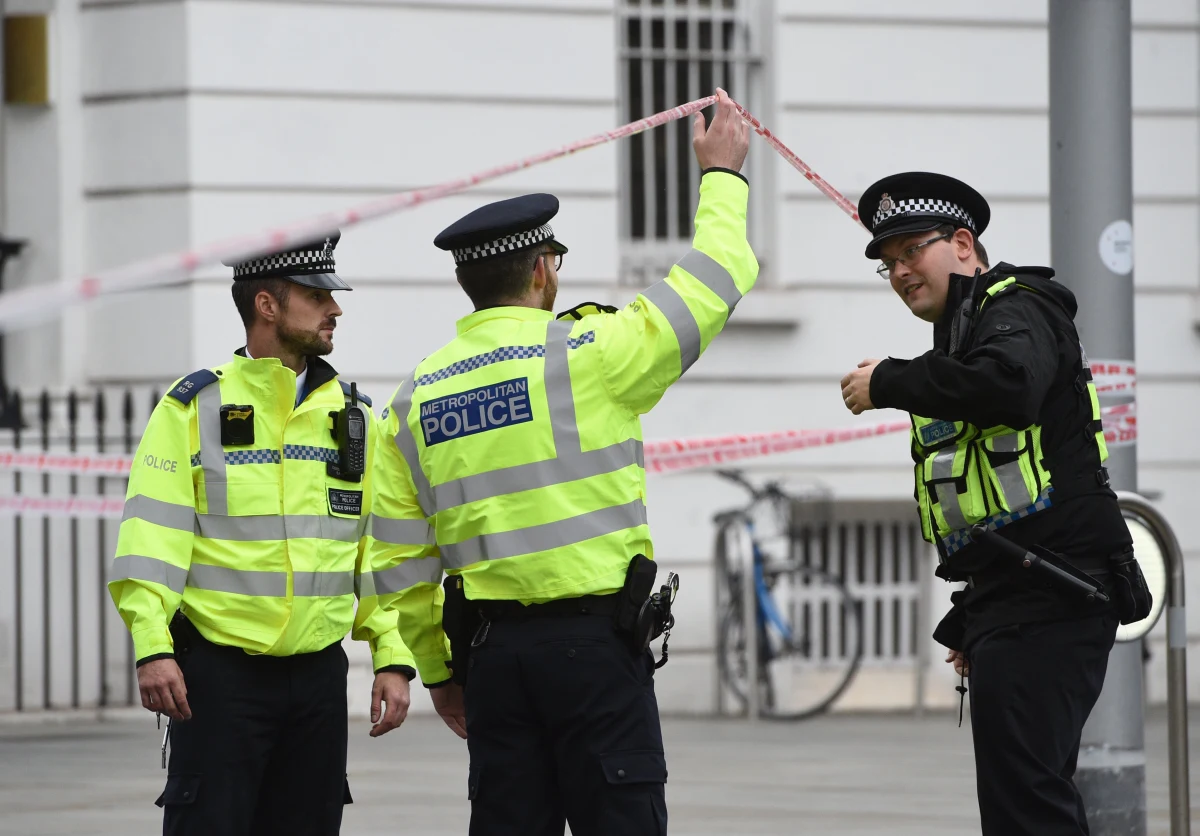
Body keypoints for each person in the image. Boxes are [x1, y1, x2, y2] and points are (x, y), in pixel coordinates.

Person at [364, 88, 756, 836]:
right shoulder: (588, 356)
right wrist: (722, 177)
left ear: (467, 282)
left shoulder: (412, 401)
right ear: (542, 271)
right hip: (595, 655)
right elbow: (712, 282)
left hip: (494, 660)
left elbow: (398, 564)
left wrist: (440, 674)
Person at [838, 172, 1151, 835]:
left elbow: (1010, 386)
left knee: (1028, 809)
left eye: (910, 253)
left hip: (1054, 597)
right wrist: (971, 617)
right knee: (1025, 802)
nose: (899, 273)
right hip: (1022, 600)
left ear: (960, 243)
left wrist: (889, 380)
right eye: (888, 264)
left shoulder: (1016, 309)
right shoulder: (965, 335)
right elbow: (999, 501)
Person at [108, 231, 416, 836]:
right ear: (267, 306)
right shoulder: (193, 407)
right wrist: (152, 644)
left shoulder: (354, 416)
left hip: (319, 681)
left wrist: (393, 653)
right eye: (317, 295)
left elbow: (376, 548)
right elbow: (152, 536)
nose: (335, 309)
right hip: (220, 682)